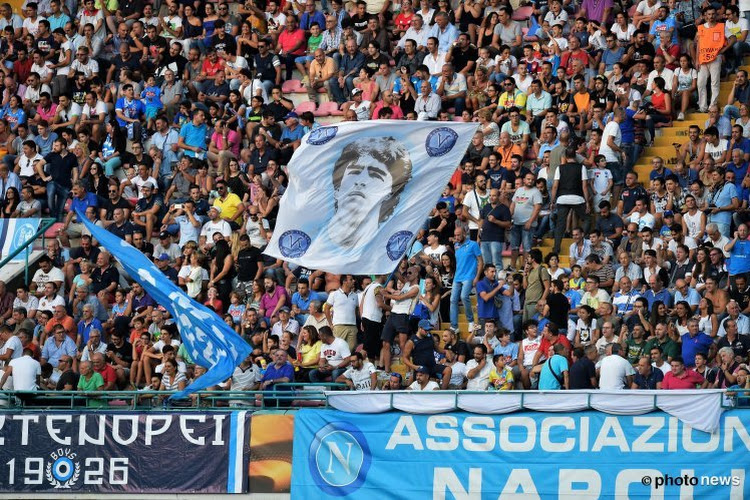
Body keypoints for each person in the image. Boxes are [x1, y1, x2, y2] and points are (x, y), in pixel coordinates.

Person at [324, 138, 413, 249]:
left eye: (375, 175)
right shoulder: (316, 239)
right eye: (354, 172)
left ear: (390, 192)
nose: (361, 181)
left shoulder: (386, 246)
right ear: (338, 187)